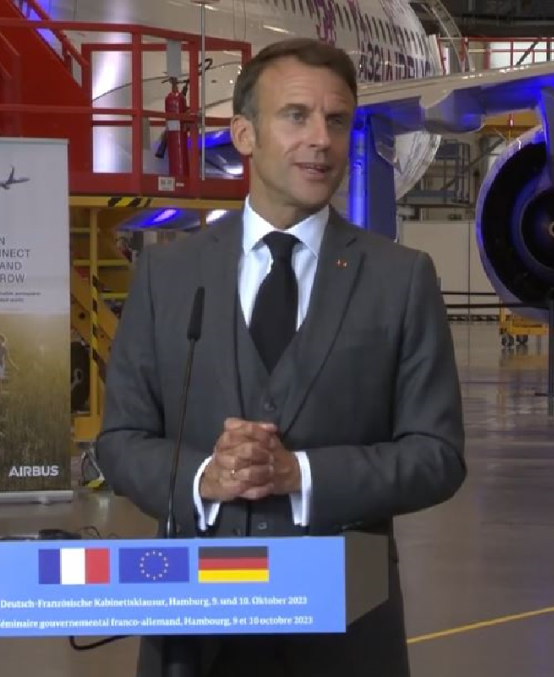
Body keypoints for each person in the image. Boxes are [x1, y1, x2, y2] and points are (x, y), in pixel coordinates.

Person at [96, 37, 467, 677]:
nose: (320, 139)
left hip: (347, 634)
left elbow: (438, 455)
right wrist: (201, 480)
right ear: (244, 134)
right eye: (295, 116)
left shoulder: (401, 279)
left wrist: (303, 476)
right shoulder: (167, 274)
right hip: (194, 635)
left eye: (336, 119)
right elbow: (122, 440)